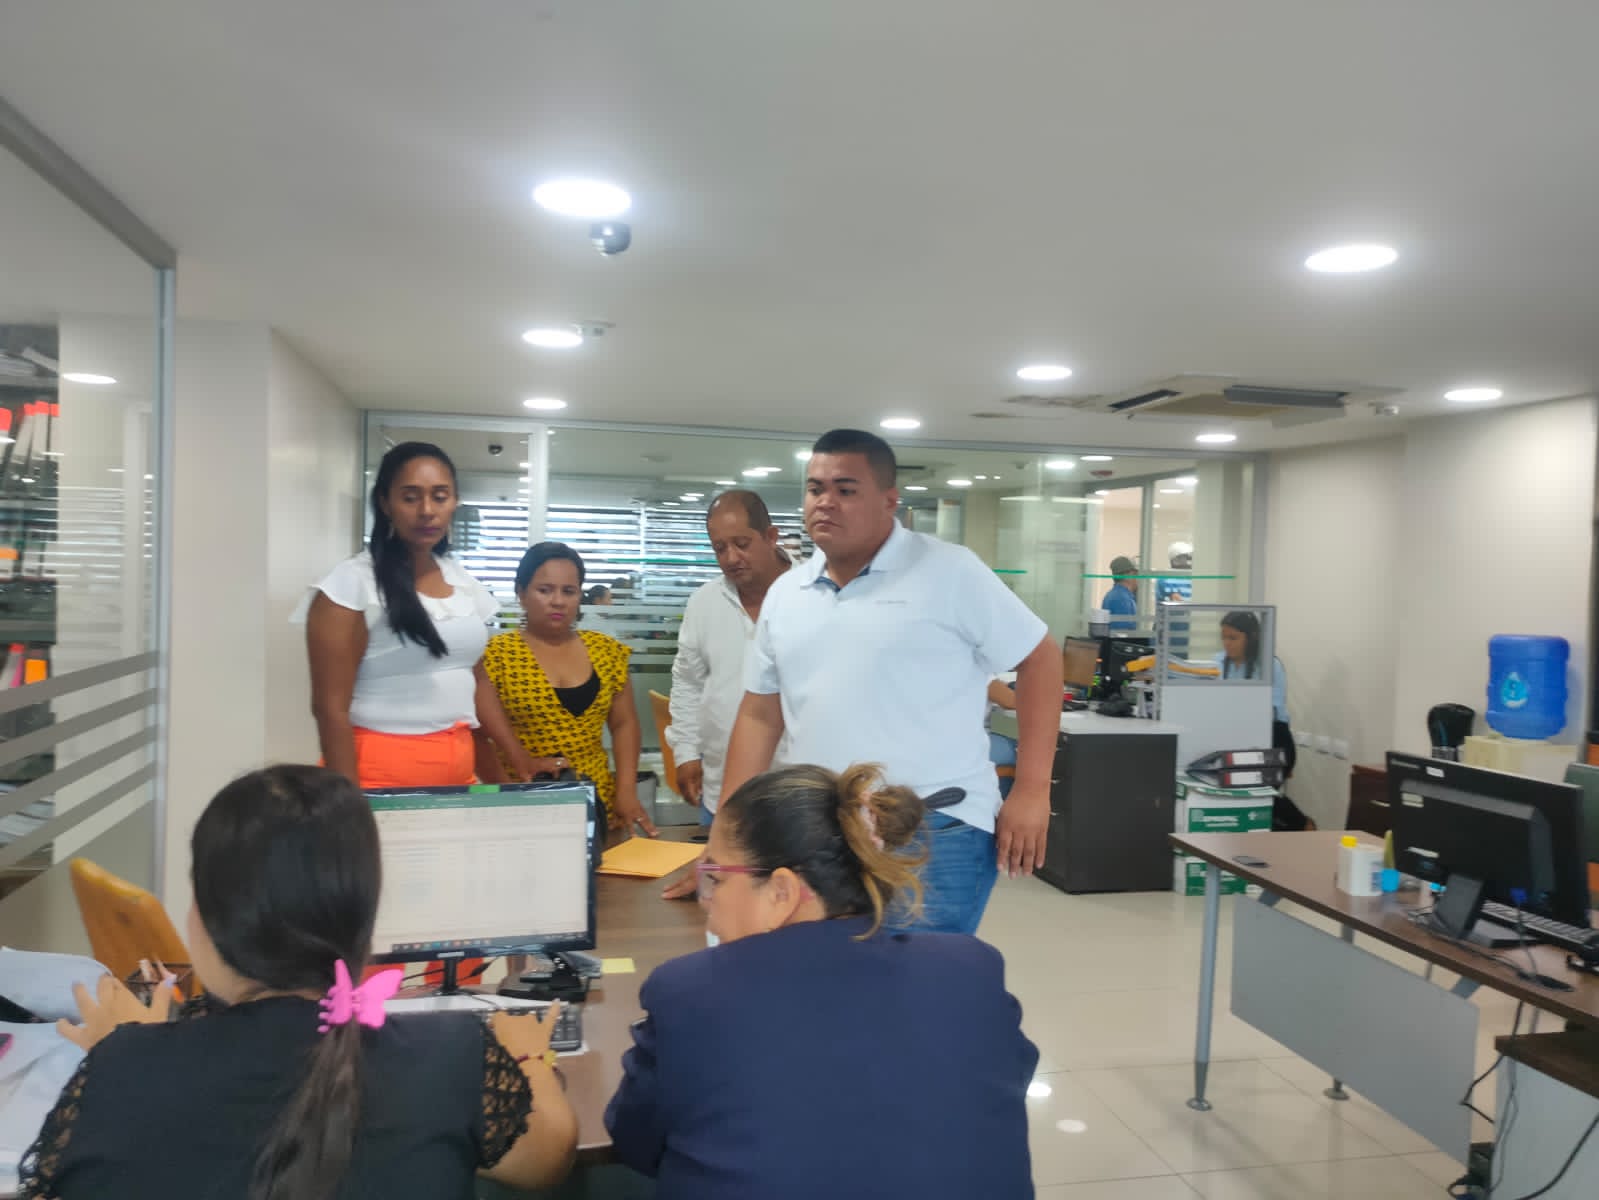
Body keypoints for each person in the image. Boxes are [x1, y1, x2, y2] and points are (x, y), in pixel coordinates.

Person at [18, 765, 576, 1200]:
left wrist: (129, 1051)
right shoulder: (453, 1054)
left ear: (208, 920)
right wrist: (529, 1056)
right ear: (364, 916)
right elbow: (547, 1160)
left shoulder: (122, 1068)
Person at [605, 764, 1037, 1200]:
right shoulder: (971, 970)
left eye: (714, 878)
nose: (707, 903)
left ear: (782, 892)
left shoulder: (691, 992)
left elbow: (635, 1142)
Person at [722, 429, 1063, 935]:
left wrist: (1032, 790)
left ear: (889, 500)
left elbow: (1040, 659)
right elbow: (759, 715)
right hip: (819, 831)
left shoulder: (950, 571)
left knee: (914, 979)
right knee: (826, 974)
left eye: (845, 489)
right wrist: (726, 844)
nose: (825, 502)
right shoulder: (788, 593)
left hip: (934, 830)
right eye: (815, 489)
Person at [301, 441, 537, 789]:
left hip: (457, 773)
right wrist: (348, 804)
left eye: (440, 497)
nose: (427, 510)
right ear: (385, 503)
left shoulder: (460, 580)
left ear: (454, 501)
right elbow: (329, 710)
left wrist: (518, 757)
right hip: (375, 779)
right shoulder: (351, 585)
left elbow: (475, 679)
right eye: (410, 498)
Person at [479, 541, 657, 835]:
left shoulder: (607, 651)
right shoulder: (494, 656)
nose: (558, 601)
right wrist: (505, 790)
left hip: (596, 803)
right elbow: (477, 735)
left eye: (569, 591)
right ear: (521, 593)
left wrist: (626, 790)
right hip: (521, 803)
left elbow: (624, 724)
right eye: (544, 590)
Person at [666, 490, 791, 824]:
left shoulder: (813, 593)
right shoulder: (704, 603)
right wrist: (685, 753)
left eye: (742, 544)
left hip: (799, 793)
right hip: (722, 789)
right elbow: (688, 683)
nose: (731, 557)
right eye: (720, 548)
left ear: (771, 536)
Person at [1215, 610, 1314, 831]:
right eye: (1224, 637)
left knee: (1260, 793)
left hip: (1273, 737)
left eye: (1233, 638)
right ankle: (1295, 826)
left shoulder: (1270, 665)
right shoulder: (1218, 662)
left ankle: (1301, 825)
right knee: (1242, 793)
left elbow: (1270, 710)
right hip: (1236, 737)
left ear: (1250, 638)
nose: (1227, 643)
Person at [1101, 554, 1139, 631]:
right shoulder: (1122, 599)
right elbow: (1124, 634)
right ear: (1127, 575)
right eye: (1136, 574)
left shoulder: (1114, 595)